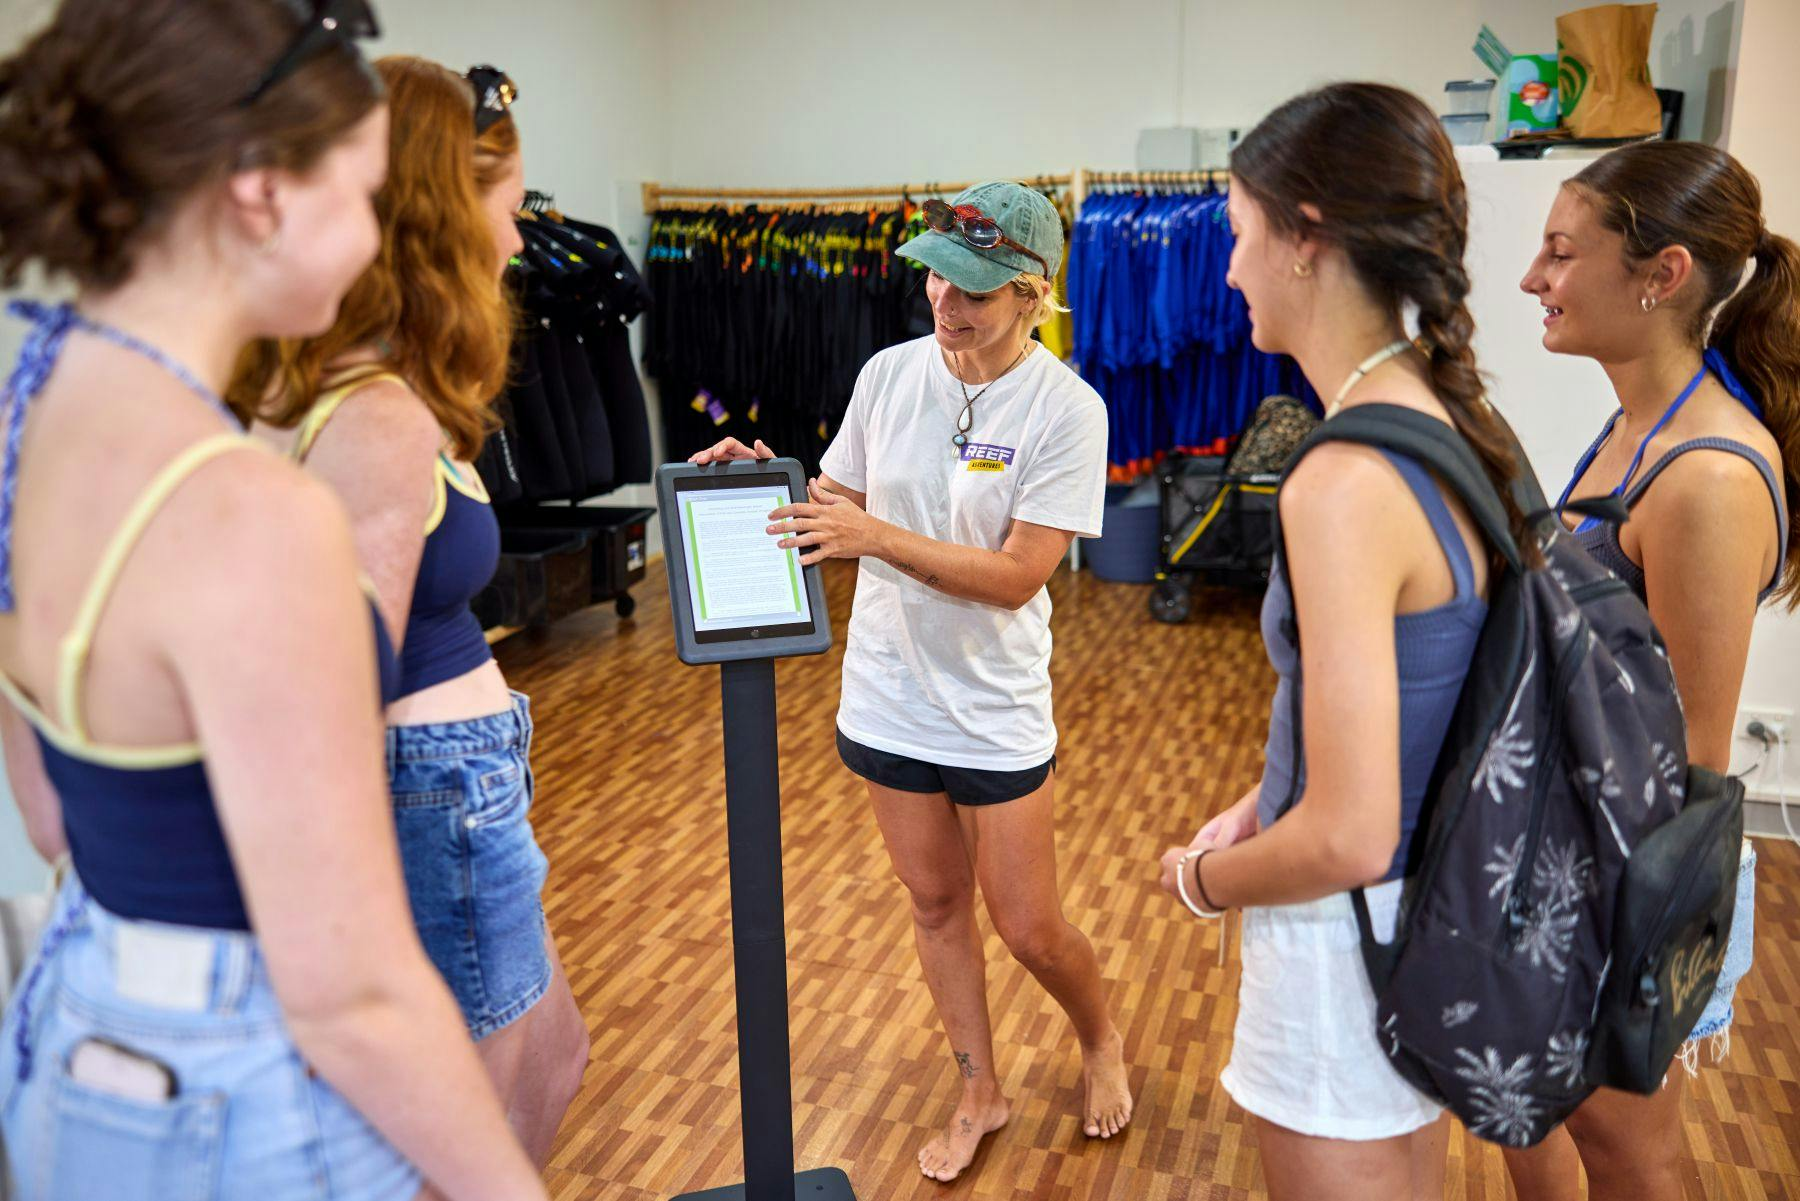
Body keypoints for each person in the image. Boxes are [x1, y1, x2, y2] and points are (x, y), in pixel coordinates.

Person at [0, 2, 545, 1198]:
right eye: (358, 196)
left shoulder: (33, 412)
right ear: (259, 193)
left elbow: (49, 815)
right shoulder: (254, 517)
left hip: (73, 1045)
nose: (372, 238)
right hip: (236, 1103)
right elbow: (351, 993)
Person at [690, 180, 1132, 1183]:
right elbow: (838, 499)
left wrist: (870, 534)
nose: (947, 298)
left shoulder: (1069, 411)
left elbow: (1020, 576)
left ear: (1034, 293)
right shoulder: (889, 375)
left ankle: (1098, 1034)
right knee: (934, 906)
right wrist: (764, 475)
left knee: (1028, 925)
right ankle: (980, 1087)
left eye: (976, 284)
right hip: (888, 692)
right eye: (938, 273)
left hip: (994, 708)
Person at [1154, 82, 1532, 1200]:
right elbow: (1421, 698)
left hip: (1347, 938)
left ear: (1306, 236)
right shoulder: (1450, 417)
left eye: (1238, 235)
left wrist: (1208, 881)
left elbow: (1353, 832)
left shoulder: (1341, 479)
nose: (1226, 270)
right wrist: (1273, 795)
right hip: (1432, 911)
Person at [230, 56, 587, 1165]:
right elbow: (336, 686)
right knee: (464, 1137)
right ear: (440, 211)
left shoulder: (332, 377)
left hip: (454, 780)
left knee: (554, 1054)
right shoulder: (378, 415)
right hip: (438, 789)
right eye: (513, 213)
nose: (524, 245)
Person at [1505, 141, 1797, 1201]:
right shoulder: (1635, 428)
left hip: (1630, 874)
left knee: (1633, 1153)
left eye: (1559, 251)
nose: (1532, 278)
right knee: (1525, 1107)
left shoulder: (1707, 476)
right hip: (1562, 850)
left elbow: (1691, 761)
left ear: (1660, 274)